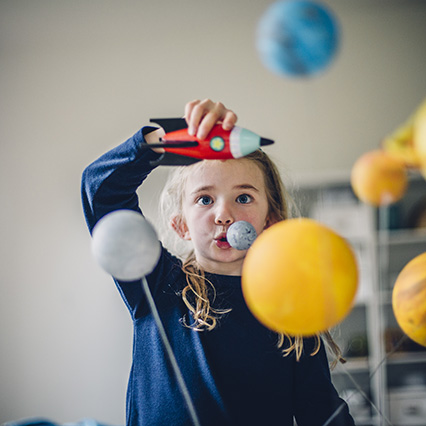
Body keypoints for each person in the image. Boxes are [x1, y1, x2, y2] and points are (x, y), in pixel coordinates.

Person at [81, 99, 355, 426]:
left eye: (243, 197)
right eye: (205, 199)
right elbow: (100, 190)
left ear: (270, 220)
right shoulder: (157, 283)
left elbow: (321, 412)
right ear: (181, 225)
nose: (224, 215)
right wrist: (164, 139)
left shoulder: (292, 309)